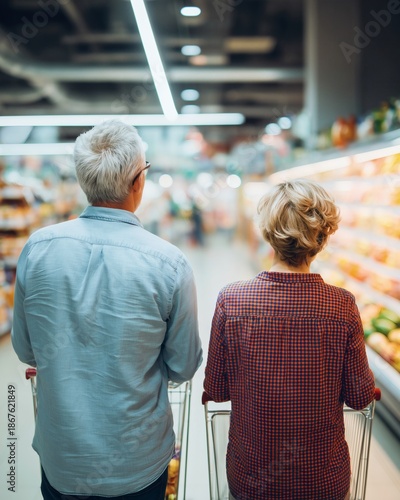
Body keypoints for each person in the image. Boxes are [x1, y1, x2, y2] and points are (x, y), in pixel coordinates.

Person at [12, 120, 203, 500]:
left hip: (62, 460)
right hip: (139, 465)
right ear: (138, 181)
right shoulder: (169, 263)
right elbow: (183, 365)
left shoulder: (37, 249)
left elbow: (27, 350)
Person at [203, 179, 375, 500]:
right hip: (323, 479)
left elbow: (216, 390)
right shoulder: (342, 305)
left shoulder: (231, 300)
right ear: (322, 237)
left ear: (267, 232)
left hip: (251, 477)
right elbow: (359, 397)